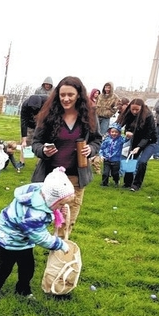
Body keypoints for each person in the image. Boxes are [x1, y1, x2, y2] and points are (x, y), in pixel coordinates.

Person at [0, 167, 74, 302]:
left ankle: (22, 289)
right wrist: (59, 244)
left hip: (22, 238)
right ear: (52, 199)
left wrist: (58, 209)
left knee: (27, 267)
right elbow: (40, 236)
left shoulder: (41, 193)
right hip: (8, 239)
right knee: (5, 267)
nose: (62, 206)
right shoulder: (33, 214)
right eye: (61, 203)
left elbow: (45, 211)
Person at [31, 76, 101, 232]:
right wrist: (43, 150)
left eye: (70, 95)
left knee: (66, 223)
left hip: (75, 178)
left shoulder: (89, 115)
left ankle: (57, 254)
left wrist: (91, 149)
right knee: (40, 219)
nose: (66, 99)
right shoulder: (48, 115)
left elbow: (97, 140)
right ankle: (32, 250)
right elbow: (35, 143)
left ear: (79, 95)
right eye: (62, 95)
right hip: (49, 178)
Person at [115, 98, 157, 192]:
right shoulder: (129, 114)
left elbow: (148, 134)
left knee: (142, 162)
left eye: (137, 110)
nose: (134, 111)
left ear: (141, 108)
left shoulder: (148, 116)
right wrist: (127, 132)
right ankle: (127, 183)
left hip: (150, 141)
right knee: (131, 160)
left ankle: (136, 185)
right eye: (132, 109)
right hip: (135, 140)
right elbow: (123, 126)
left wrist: (139, 147)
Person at [99, 122, 126, 187]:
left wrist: (128, 136)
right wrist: (101, 155)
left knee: (115, 173)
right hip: (107, 159)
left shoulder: (120, 140)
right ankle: (104, 184)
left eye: (116, 132)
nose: (114, 133)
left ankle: (116, 181)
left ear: (119, 133)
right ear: (109, 132)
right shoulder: (107, 140)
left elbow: (126, 140)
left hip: (116, 161)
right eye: (112, 132)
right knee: (105, 173)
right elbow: (102, 148)